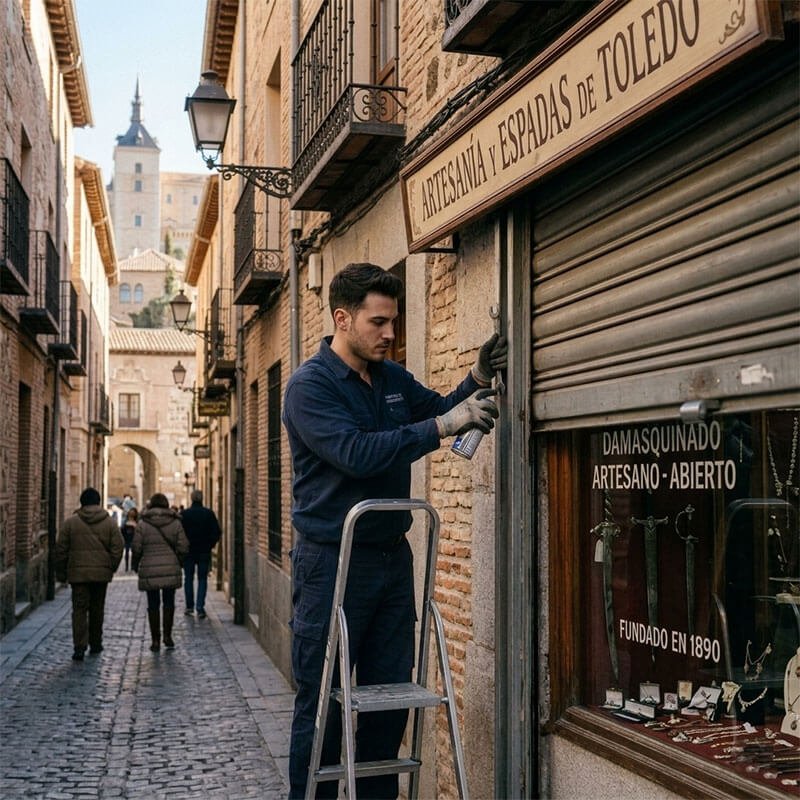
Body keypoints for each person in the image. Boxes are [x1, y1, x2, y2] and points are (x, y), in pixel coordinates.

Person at [282, 262, 506, 799]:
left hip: (390, 560)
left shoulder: (390, 378)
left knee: (389, 700)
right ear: (342, 318)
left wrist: (473, 381)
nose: (390, 334)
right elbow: (356, 454)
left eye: (394, 323)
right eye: (379, 322)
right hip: (331, 562)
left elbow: (439, 412)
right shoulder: (308, 388)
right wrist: (442, 426)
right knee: (323, 705)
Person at [54, 487, 124, 661]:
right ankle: (96, 643)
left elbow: (61, 549)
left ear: (82, 502)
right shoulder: (109, 523)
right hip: (101, 575)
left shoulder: (71, 523)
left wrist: (62, 572)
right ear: (98, 502)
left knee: (79, 610)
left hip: (78, 575)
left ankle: (79, 646)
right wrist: (111, 567)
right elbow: (118, 548)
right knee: (97, 609)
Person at [132, 493, 189, 651]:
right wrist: (178, 559)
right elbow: (184, 546)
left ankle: (155, 640)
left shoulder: (143, 524)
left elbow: (136, 548)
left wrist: (137, 562)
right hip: (170, 567)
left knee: (153, 604)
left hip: (149, 567)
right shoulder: (176, 523)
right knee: (169, 602)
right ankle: (168, 636)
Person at [180, 489, 222, 618]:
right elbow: (217, 532)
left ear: (192, 499)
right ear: (202, 498)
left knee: (188, 578)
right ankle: (200, 607)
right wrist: (210, 545)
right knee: (202, 579)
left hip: (189, 552)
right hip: (204, 551)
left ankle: (189, 606)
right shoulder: (208, 514)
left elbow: (180, 534)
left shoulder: (185, 514)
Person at [121, 507, 138, 572]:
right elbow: (122, 529)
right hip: (127, 538)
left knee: (134, 553)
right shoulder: (125, 520)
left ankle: (132, 566)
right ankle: (127, 566)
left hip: (133, 538)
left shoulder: (136, 521)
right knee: (127, 553)